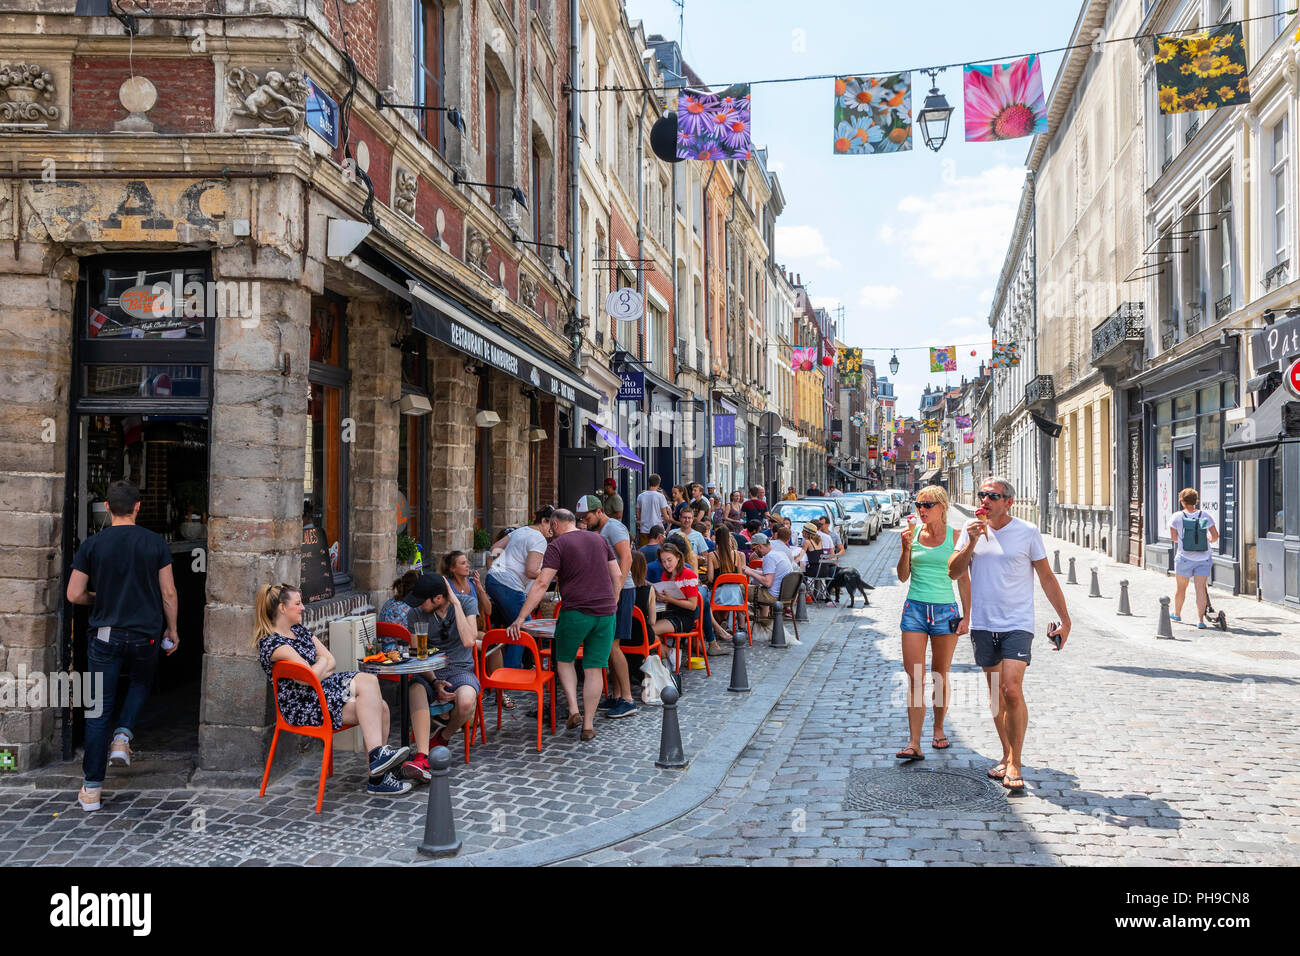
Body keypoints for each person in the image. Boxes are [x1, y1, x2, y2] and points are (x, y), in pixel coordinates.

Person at [948, 477, 1071, 794]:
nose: (985, 500)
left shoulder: (1027, 532)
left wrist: (1065, 620)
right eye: (982, 495)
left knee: (1011, 689)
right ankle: (1005, 753)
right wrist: (972, 542)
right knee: (995, 694)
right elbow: (954, 571)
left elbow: (1046, 577)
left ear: (1008, 502)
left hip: (1017, 623)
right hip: (983, 623)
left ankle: (1015, 761)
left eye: (993, 496)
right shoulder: (970, 529)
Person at [66, 480, 180, 811]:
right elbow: (169, 593)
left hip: (105, 635)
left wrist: (98, 598)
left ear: (106, 506)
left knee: (98, 709)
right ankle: (124, 736)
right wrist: (172, 629)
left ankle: (91, 790)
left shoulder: (92, 544)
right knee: (142, 681)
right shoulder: (154, 542)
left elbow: (74, 594)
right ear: (138, 507)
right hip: (145, 633)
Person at [255, 583, 412, 795]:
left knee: (381, 706)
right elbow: (307, 679)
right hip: (304, 707)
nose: (302, 608)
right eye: (298, 604)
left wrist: (316, 668)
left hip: (320, 693)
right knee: (369, 685)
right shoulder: (274, 644)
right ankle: (377, 762)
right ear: (282, 608)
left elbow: (331, 659)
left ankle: (377, 776)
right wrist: (319, 668)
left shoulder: (298, 631)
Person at [508, 509, 620, 741]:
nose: (550, 532)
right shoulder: (599, 539)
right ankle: (588, 725)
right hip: (606, 613)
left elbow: (541, 583)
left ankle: (573, 710)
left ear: (556, 525)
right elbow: (617, 575)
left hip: (576, 612)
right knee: (594, 668)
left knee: (564, 660)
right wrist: (614, 601)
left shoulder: (557, 546)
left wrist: (520, 617)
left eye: (551, 528)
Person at [893, 485, 971, 761]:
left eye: (927, 504)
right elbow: (903, 576)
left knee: (940, 675)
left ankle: (938, 728)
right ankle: (914, 742)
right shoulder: (911, 535)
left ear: (943, 507)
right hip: (914, 610)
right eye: (918, 505)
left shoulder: (956, 536)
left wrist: (967, 617)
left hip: (945, 613)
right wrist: (904, 549)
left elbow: (963, 579)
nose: (922, 509)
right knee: (915, 677)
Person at [396, 572, 480, 781]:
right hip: (429, 671)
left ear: (439, 598)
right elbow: (417, 656)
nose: (416, 605)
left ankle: (442, 737)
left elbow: (470, 640)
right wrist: (434, 681)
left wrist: (456, 604)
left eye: (421, 600)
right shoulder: (415, 614)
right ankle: (422, 756)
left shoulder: (467, 603)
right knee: (414, 689)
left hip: (460, 669)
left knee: (467, 701)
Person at [579, 495, 639, 719]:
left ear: (598, 512)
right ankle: (616, 695)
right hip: (611, 591)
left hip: (622, 591)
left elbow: (626, 559)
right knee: (609, 646)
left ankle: (628, 699)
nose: (584, 522)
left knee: (614, 646)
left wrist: (616, 592)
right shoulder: (601, 531)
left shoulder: (613, 527)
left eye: (586, 517)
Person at [484, 507, 554, 672]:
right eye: (552, 524)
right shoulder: (539, 539)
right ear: (544, 521)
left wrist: (496, 568)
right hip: (509, 585)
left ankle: (503, 667)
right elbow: (531, 571)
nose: (553, 530)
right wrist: (550, 575)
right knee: (523, 626)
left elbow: (494, 548)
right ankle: (510, 670)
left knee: (513, 624)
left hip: (494, 580)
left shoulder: (521, 530)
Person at [1169, 487, 1220, 628]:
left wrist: (1185, 540)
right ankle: (1200, 621)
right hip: (1203, 558)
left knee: (1181, 588)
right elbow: (1215, 536)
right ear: (1196, 501)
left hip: (1184, 557)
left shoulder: (1177, 516)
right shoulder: (1205, 515)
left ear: (1182, 501)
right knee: (1200, 589)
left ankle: (1177, 614)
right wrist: (1208, 540)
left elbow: (1173, 538)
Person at [649, 541, 704, 661]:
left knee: (649, 632)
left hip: (685, 616)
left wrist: (670, 599)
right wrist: (661, 597)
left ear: (678, 557)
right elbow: (667, 600)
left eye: (669, 560)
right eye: (663, 561)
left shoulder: (688, 574)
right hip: (670, 613)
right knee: (645, 630)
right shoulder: (665, 575)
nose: (666, 564)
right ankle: (669, 655)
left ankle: (669, 656)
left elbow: (692, 605)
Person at [744, 533, 793, 625]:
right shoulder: (780, 554)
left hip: (772, 596)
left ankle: (742, 623)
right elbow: (769, 574)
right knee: (750, 588)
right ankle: (762, 620)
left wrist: (750, 573)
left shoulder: (769, 557)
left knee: (739, 589)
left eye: (754, 549)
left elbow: (767, 582)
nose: (754, 552)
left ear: (760, 547)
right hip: (784, 595)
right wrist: (751, 570)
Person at [636, 474, 672, 546]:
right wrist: (669, 517)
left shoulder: (640, 496)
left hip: (644, 529)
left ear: (649, 483)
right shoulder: (661, 497)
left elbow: (638, 515)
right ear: (658, 484)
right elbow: (665, 516)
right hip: (658, 530)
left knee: (644, 552)